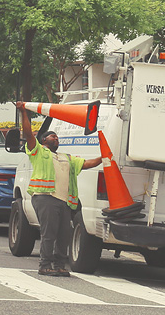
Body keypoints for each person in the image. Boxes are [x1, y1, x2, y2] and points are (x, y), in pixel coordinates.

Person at [20, 111, 103, 276]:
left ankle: (58, 265)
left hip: (63, 201)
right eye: (52, 136)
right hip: (45, 197)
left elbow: (87, 164)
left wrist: (103, 157)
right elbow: (28, 134)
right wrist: (23, 112)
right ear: (44, 140)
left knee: (64, 234)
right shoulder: (38, 152)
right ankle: (45, 266)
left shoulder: (66, 157)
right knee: (49, 233)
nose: (56, 138)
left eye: (57, 137)